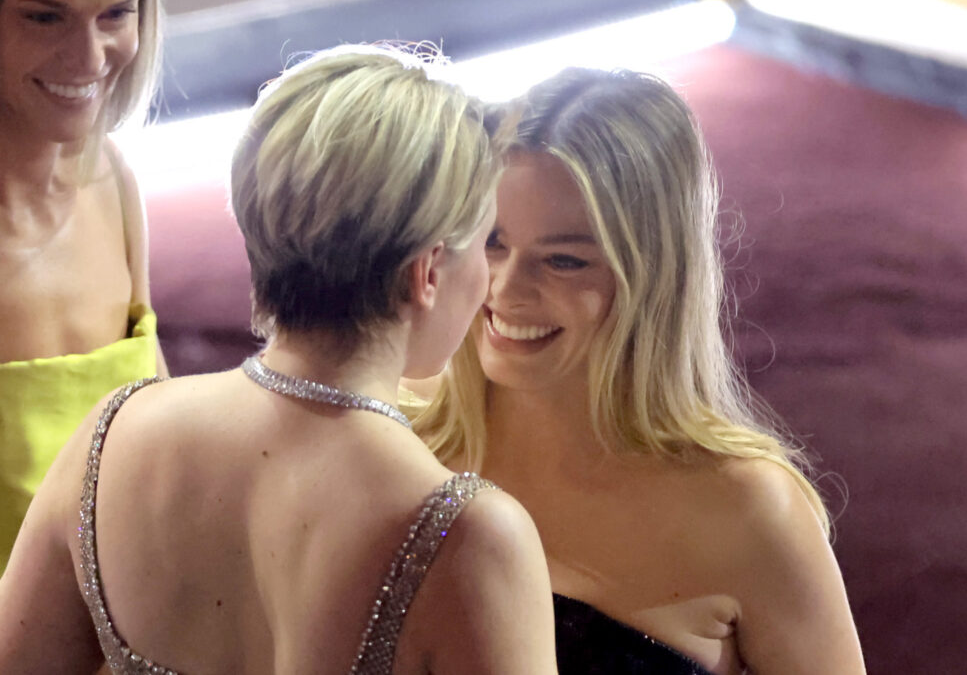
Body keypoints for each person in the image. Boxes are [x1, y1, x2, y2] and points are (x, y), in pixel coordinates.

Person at [0, 46, 557, 674]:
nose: (490, 277)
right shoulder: (469, 535)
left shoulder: (109, 438)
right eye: (486, 242)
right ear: (427, 271)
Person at [411, 68, 866, 674]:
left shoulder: (751, 510)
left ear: (655, 279)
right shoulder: (395, 437)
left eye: (564, 260)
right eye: (491, 242)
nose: (507, 288)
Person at [0, 0, 167, 573]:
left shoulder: (113, 177)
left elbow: (164, 428)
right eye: (44, 18)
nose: (90, 57)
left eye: (115, 15)